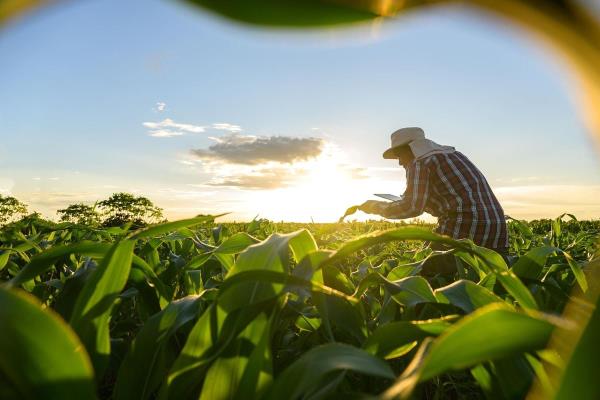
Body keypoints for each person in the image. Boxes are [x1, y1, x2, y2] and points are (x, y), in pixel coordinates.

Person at [358, 127, 509, 274]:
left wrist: (375, 207)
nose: (400, 163)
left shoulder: (419, 162)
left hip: (465, 227)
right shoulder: (454, 155)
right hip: (497, 234)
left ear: (409, 149)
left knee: (420, 270)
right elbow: (455, 195)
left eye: (399, 155)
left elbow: (411, 207)